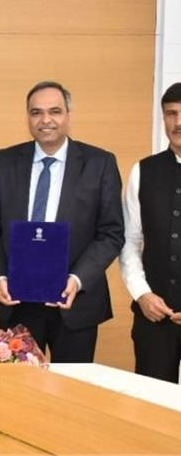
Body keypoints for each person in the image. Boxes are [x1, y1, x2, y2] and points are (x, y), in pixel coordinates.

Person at [0, 80, 124, 362]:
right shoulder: (5, 161)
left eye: (54, 111)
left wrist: (77, 279)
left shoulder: (100, 163)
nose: (46, 120)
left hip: (75, 301)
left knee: (69, 395)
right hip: (17, 301)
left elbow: (111, 233)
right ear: (28, 118)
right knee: (17, 394)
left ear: (68, 115)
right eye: (36, 112)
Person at [120, 82, 181, 382]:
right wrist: (142, 294)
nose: (178, 122)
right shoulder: (143, 171)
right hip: (153, 315)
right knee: (152, 411)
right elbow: (130, 241)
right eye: (171, 114)